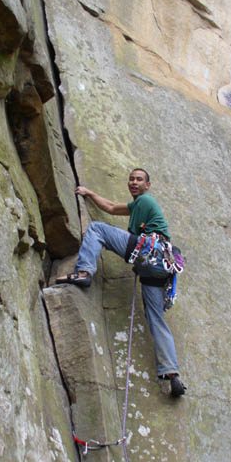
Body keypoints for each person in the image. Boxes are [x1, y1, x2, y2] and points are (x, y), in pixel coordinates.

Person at [56, 169, 186, 398]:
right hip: (159, 269)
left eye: (139, 180)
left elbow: (130, 235)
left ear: (148, 186)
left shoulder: (144, 201)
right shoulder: (138, 205)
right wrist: (88, 193)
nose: (134, 182)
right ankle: (172, 374)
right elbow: (112, 207)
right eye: (131, 179)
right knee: (156, 319)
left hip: (148, 252)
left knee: (97, 228)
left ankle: (84, 271)